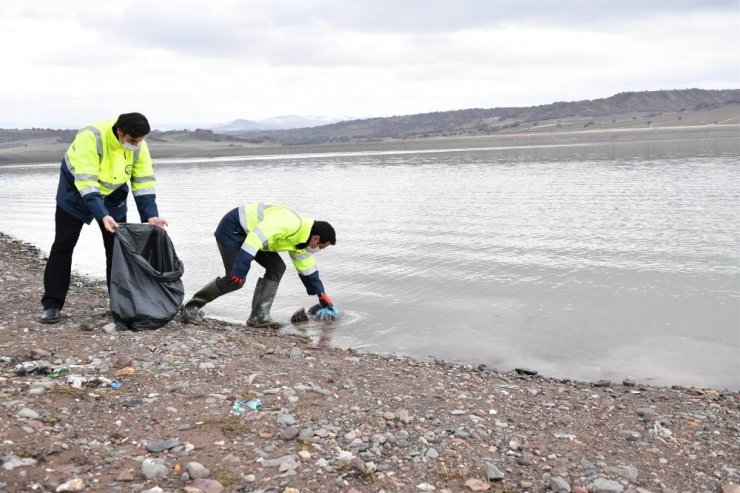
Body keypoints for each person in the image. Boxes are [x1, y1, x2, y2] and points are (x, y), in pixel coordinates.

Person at [40, 113, 168, 323]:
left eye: (141, 140)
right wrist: (102, 215)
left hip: (113, 195)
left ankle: (120, 305)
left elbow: (143, 181)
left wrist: (150, 215)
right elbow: (87, 182)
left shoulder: (138, 144)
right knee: (63, 245)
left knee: (117, 251)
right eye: (133, 140)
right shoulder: (90, 137)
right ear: (120, 132)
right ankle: (52, 305)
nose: (138, 144)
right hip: (75, 194)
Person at [182, 202, 338, 327]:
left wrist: (321, 294)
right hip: (234, 228)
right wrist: (240, 269)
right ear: (316, 239)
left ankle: (259, 317)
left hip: (253, 237)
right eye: (321, 247)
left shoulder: (302, 241)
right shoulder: (291, 223)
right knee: (235, 280)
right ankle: (191, 307)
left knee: (277, 267)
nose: (319, 250)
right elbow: (254, 238)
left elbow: (307, 268)